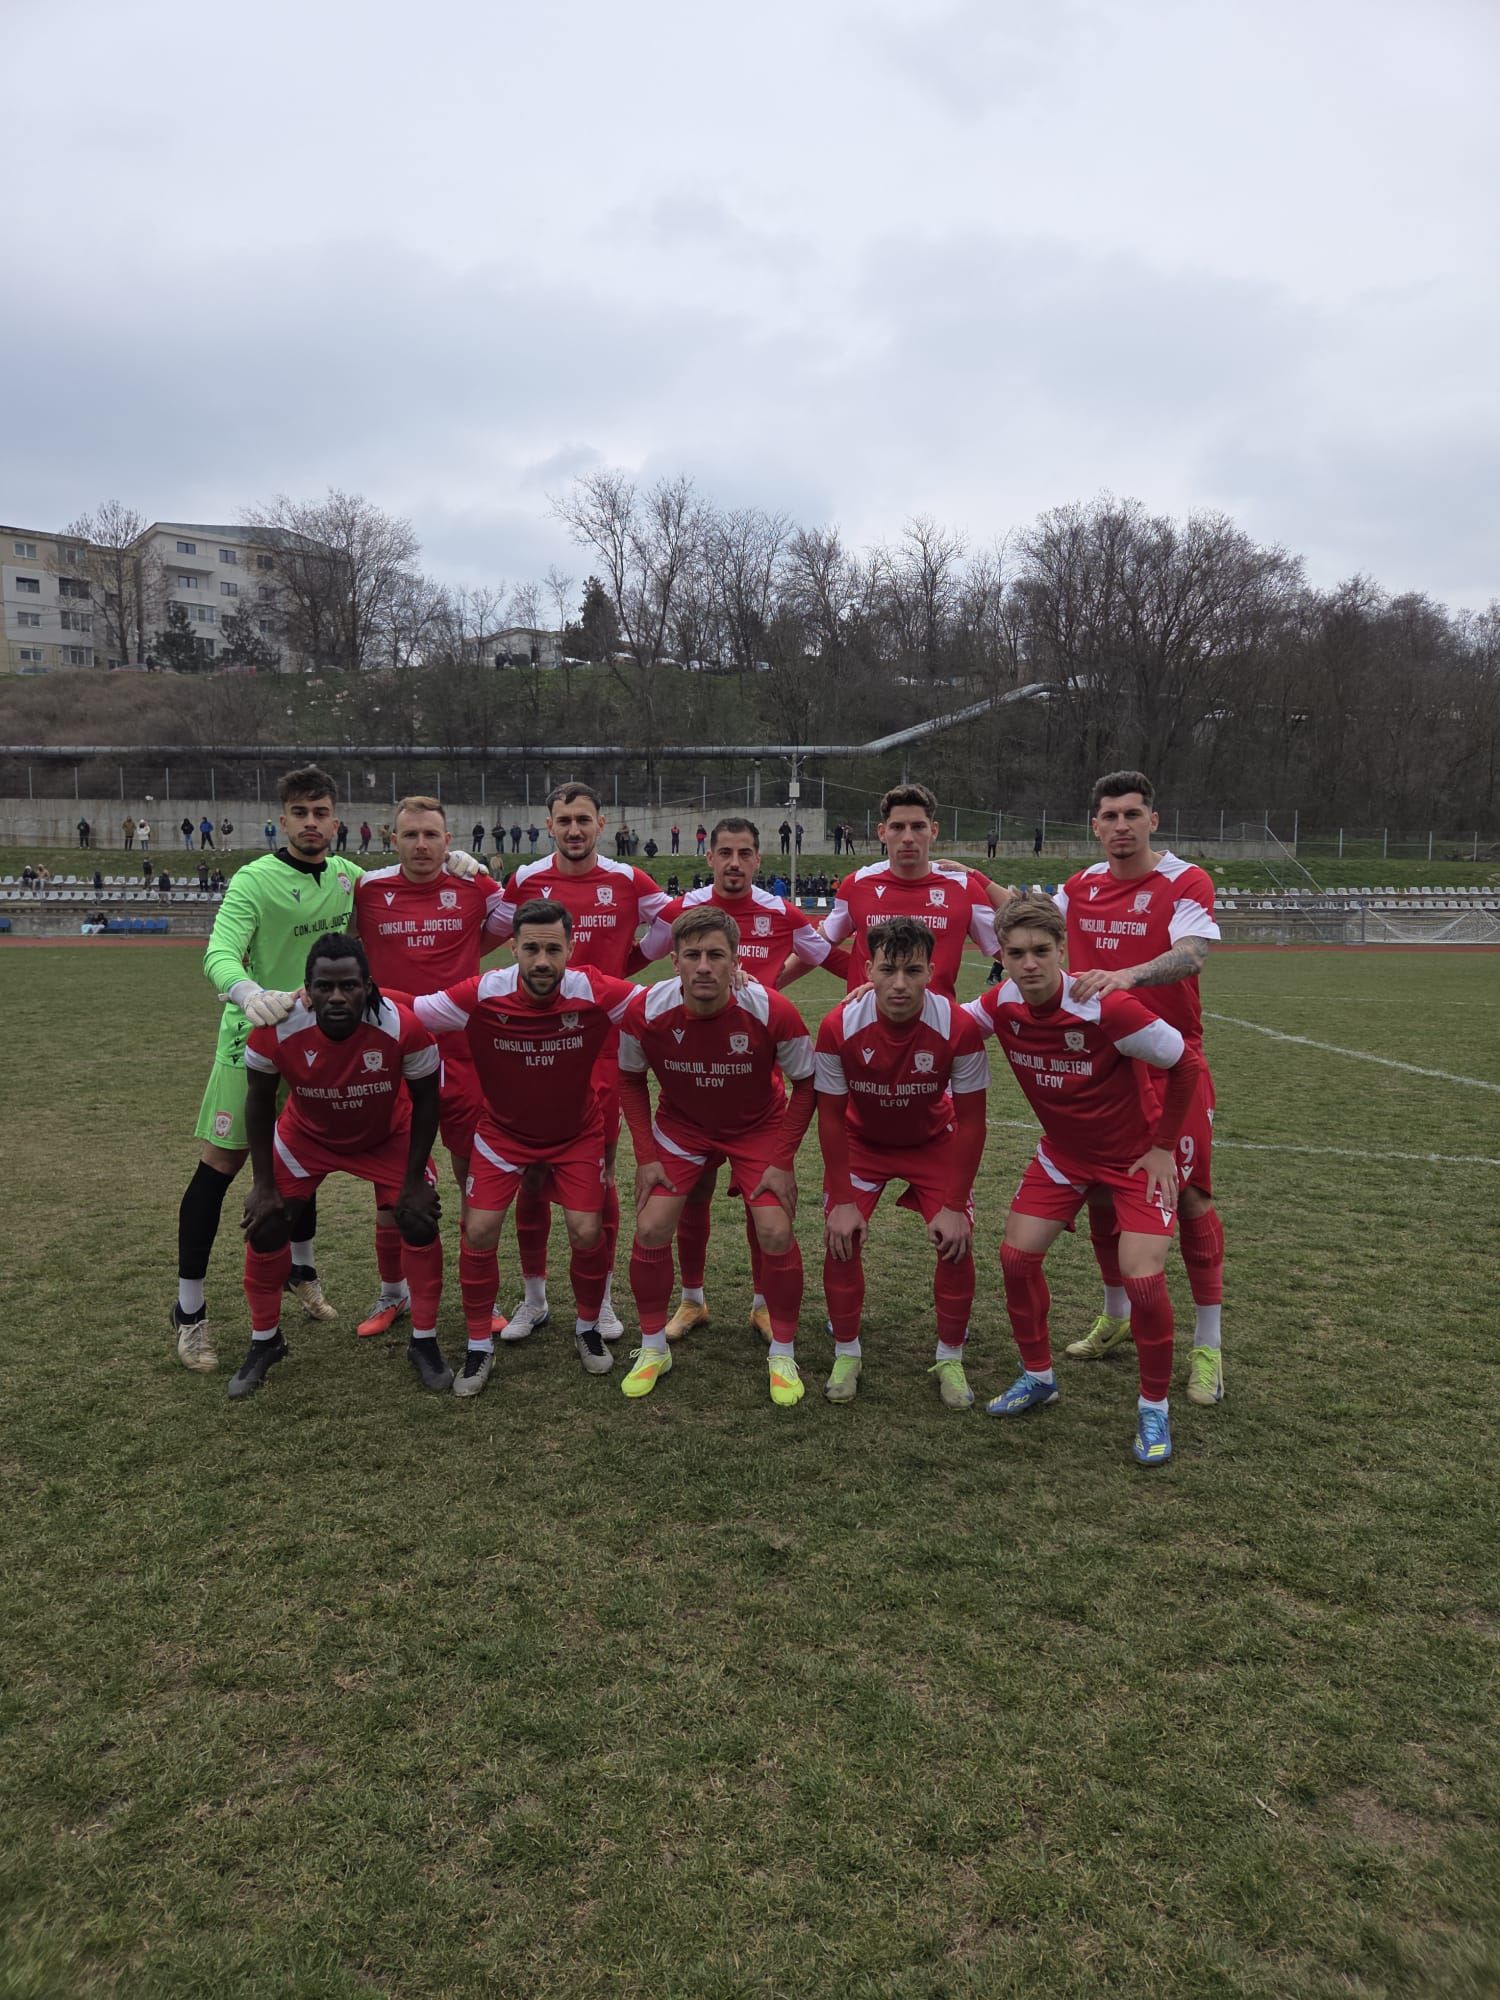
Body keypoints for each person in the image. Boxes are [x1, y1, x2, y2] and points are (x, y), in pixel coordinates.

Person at [964, 896, 1203, 1466]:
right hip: (1065, 1156)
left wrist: (1163, 1148)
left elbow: (1186, 1064)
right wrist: (875, 994)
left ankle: (1153, 1407)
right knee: (1016, 1259)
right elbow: (944, 1025)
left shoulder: (1106, 1007)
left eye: (1041, 951)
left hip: (1134, 1160)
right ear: (1001, 957)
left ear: (1062, 951)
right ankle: (1038, 1376)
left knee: (1143, 1282)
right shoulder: (1001, 1003)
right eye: (1015, 954)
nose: (1029, 964)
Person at [396, 900, 639, 1392]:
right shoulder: (484, 992)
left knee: (586, 1230)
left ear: (571, 949)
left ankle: (588, 1328)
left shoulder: (594, 990)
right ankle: (478, 1346)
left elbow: (663, 1003)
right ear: (513, 948)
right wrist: (341, 991)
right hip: (503, 1135)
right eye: (531, 949)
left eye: (553, 949)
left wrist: (737, 983)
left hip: (575, 1134)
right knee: (479, 1229)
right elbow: (411, 1008)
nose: (542, 961)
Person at [171, 766, 362, 1372]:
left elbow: (402, 893)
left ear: (336, 820)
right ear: (282, 820)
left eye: (321, 812)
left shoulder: (348, 877)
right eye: (300, 813)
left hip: (316, 1049)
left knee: (302, 1161)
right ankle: (189, 1311)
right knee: (220, 1169)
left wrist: (460, 867)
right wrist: (248, 991)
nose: (311, 823)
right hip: (250, 1044)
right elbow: (219, 952)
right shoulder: (254, 880)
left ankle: (301, 1272)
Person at [634, 817, 850, 1342]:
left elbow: (832, 959)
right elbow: (637, 957)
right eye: (725, 852)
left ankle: (762, 1304)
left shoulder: (782, 913)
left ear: (758, 859)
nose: (734, 863)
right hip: (694, 1071)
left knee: (763, 1204)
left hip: (755, 1071)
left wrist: (869, 984)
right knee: (694, 1192)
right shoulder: (679, 910)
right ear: (709, 857)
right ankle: (692, 1300)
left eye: (745, 853)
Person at [1051, 770, 1226, 1407]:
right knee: (1102, 1192)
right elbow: (1030, 925)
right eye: (1109, 816)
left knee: (1191, 1197)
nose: (1120, 825)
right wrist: (969, 880)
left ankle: (1208, 1347)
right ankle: (1116, 1315)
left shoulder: (1185, 880)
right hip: (1105, 1068)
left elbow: (1193, 954)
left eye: (1132, 814)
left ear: (1153, 820)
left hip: (1173, 1066)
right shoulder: (1080, 887)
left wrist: (1125, 975)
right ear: (1094, 826)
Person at [490, 783, 669, 1341]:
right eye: (564, 820)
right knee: (532, 1173)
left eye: (583, 819)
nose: (574, 829)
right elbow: (491, 930)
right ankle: (534, 1299)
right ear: (548, 825)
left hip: (600, 1047)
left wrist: (629, 962)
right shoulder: (526, 879)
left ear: (601, 824)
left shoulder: (628, 879)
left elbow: (674, 925)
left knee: (601, 1172)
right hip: (534, 1045)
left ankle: (603, 1300)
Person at [617, 908, 815, 1406]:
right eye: (692, 955)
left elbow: (807, 1084)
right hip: (682, 1127)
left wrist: (782, 1159)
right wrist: (645, 1155)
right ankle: (655, 1346)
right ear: (674, 962)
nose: (704, 966)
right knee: (651, 1226)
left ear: (736, 961)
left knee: (775, 1229)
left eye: (715, 955)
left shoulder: (771, 1009)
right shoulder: (646, 1010)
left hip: (757, 1127)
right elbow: (629, 1078)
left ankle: (782, 1352)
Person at [236, 934, 448, 1400]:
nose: (337, 996)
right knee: (266, 1226)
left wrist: (414, 1179)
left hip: (386, 1134)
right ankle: (265, 1341)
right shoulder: (277, 1028)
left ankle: (425, 1342)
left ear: (367, 987)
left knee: (416, 1219)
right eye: (324, 987)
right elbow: (258, 1100)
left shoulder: (401, 1026)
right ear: (306, 991)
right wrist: (262, 1184)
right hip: (307, 1136)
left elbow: (428, 1100)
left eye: (349, 986)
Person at [816, 917, 990, 1408]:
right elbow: (830, 1118)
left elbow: (972, 1123)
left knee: (956, 1242)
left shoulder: (957, 1027)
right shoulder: (838, 1025)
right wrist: (842, 1200)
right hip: (862, 1143)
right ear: (867, 971)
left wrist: (954, 1205)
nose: (899, 984)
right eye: (887, 970)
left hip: (933, 1142)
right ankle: (846, 1353)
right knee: (841, 1238)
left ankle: (950, 1357)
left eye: (912, 971)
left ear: (931, 972)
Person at [353, 795, 510, 1339]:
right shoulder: (367, 890)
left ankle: (480, 1296)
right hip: (390, 1055)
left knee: (474, 1177)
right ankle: (392, 1292)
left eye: (431, 835)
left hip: (463, 1054)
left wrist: (485, 875)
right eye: (411, 835)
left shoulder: (471, 889)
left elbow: (512, 919)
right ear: (392, 839)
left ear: (448, 841)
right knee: (392, 1182)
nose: (421, 845)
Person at [785, 783, 1003, 1000]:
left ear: (933, 830)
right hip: (864, 1018)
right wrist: (768, 987)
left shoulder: (964, 888)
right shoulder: (857, 884)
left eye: (918, 827)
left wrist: (987, 1009)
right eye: (897, 827)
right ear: (882, 832)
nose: (908, 837)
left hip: (936, 1020)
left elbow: (1013, 952)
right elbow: (817, 946)